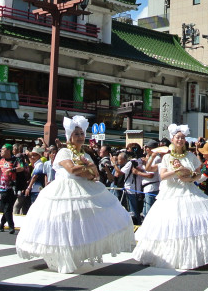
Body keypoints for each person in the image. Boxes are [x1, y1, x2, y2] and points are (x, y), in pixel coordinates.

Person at [16, 116, 135, 273]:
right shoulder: (64, 152)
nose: (80, 136)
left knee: (82, 223)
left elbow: (95, 176)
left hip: (86, 188)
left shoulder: (85, 155)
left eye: (81, 133)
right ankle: (62, 256)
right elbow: (72, 170)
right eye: (76, 134)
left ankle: (75, 253)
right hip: (64, 189)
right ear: (70, 137)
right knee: (64, 222)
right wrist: (87, 168)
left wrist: (88, 168)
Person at [132, 125, 208, 269]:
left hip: (189, 190)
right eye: (177, 137)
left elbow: (198, 174)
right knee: (172, 224)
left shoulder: (191, 156)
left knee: (192, 223)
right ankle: (168, 254)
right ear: (173, 139)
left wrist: (191, 177)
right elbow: (162, 176)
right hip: (172, 193)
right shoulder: (167, 157)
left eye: (182, 137)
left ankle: (191, 255)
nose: (180, 140)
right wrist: (177, 171)